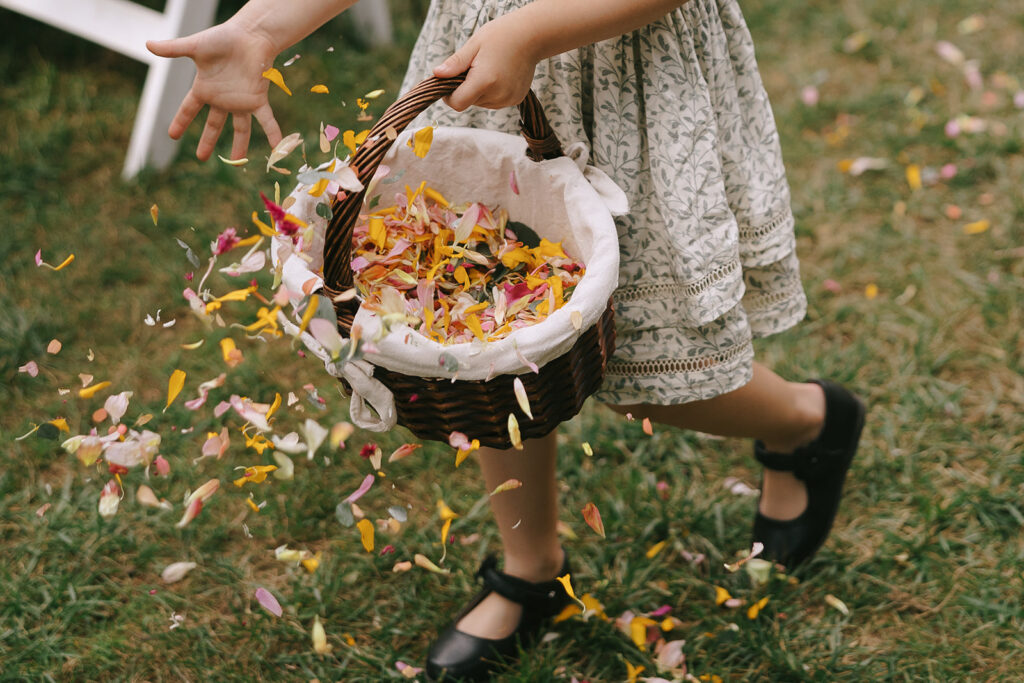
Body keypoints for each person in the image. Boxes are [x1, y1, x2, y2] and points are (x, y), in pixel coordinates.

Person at [148, 0, 866, 679]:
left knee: (650, 368)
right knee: (483, 343)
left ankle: (809, 422)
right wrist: (262, 28)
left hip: (628, 71)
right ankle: (531, 570)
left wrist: (533, 31)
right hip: (487, 61)